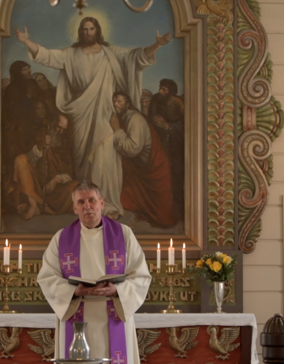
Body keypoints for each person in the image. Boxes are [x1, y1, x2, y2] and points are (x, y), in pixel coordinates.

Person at [15, 18, 172, 220]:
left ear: (97, 31)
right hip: (80, 117)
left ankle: (109, 205)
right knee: (84, 163)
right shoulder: (71, 54)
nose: (89, 32)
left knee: (106, 159)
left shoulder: (110, 53)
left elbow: (135, 57)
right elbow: (48, 56)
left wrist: (157, 44)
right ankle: (85, 206)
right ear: (80, 32)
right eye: (85, 29)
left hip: (106, 116)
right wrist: (27, 42)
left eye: (92, 29)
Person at [37, 181, 151, 364]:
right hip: (78, 319)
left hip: (114, 319)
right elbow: (47, 278)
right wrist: (75, 292)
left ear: (102, 203)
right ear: (74, 207)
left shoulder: (124, 234)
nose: (87, 206)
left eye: (91, 200)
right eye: (80, 202)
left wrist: (117, 289)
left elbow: (141, 276)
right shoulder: (61, 238)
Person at [110, 91, 176, 228]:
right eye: (114, 101)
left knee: (161, 214)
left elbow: (132, 148)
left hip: (155, 168)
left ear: (127, 104)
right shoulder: (123, 117)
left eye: (119, 101)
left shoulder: (135, 119)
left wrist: (117, 131)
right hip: (142, 170)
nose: (116, 104)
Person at [8, 114, 78, 219]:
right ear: (52, 124)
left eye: (64, 129)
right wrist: (40, 147)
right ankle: (33, 204)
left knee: (76, 186)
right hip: (34, 186)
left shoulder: (65, 144)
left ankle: (40, 207)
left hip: (53, 192)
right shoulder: (39, 134)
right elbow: (28, 163)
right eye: (58, 127)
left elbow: (69, 172)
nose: (60, 132)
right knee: (21, 160)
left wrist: (56, 180)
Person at [148, 79, 185, 217]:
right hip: (159, 142)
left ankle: (175, 209)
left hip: (175, 145)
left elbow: (186, 126)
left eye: (164, 90)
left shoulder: (178, 103)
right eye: (160, 88)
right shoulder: (156, 99)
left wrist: (168, 127)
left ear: (171, 92)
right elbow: (151, 117)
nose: (160, 92)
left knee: (174, 175)